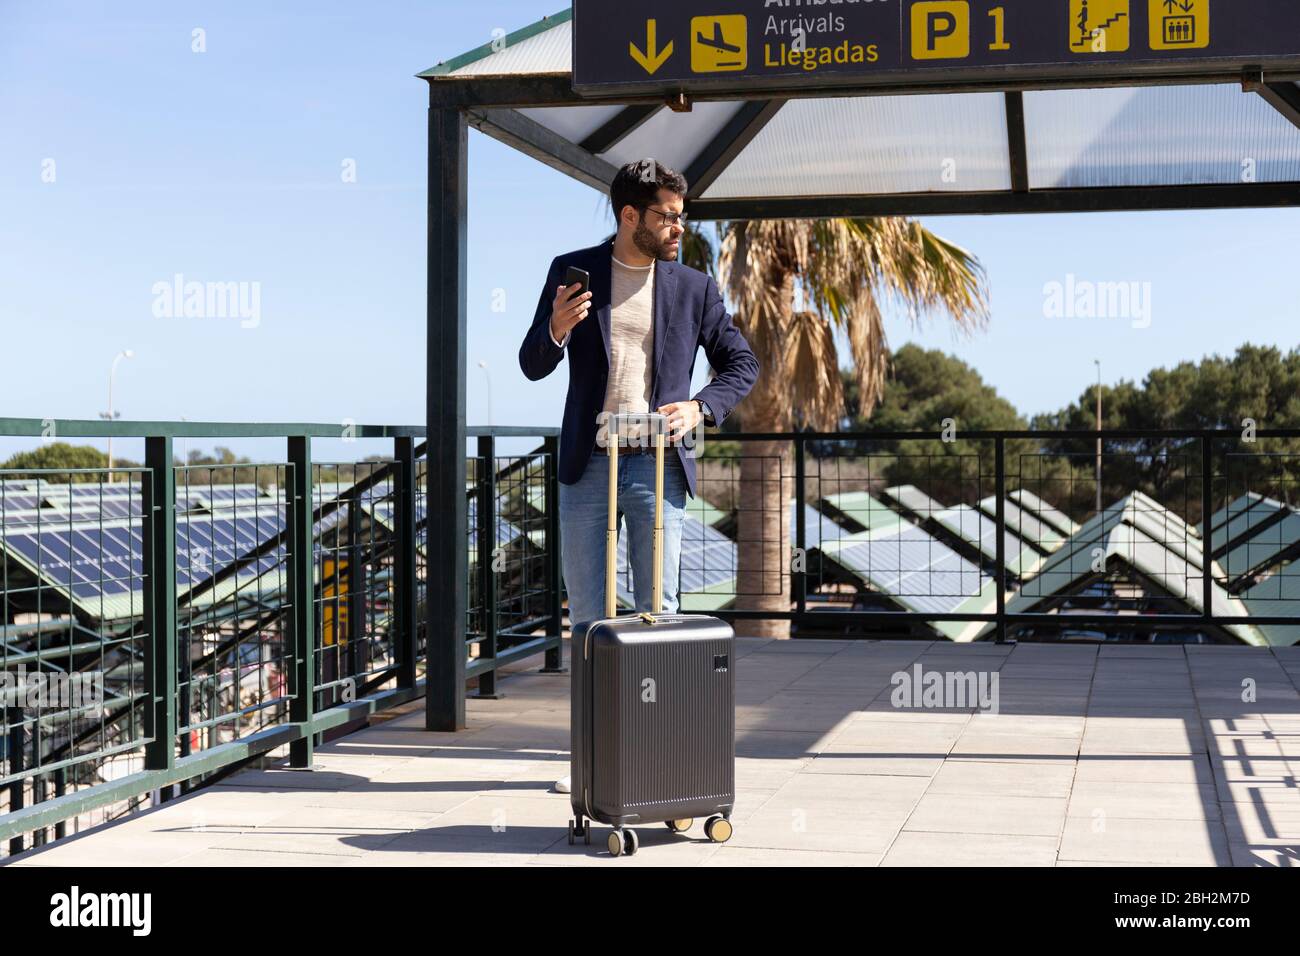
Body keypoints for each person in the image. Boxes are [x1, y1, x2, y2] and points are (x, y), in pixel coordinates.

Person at [518, 159, 759, 793]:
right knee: (591, 619)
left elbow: (742, 362)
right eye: (668, 216)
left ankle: (660, 757)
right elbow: (531, 364)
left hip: (657, 466)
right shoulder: (573, 271)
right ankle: (594, 762)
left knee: (662, 614)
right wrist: (555, 329)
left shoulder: (694, 287)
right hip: (587, 465)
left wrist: (701, 407)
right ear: (631, 216)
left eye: (682, 215)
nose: (680, 226)